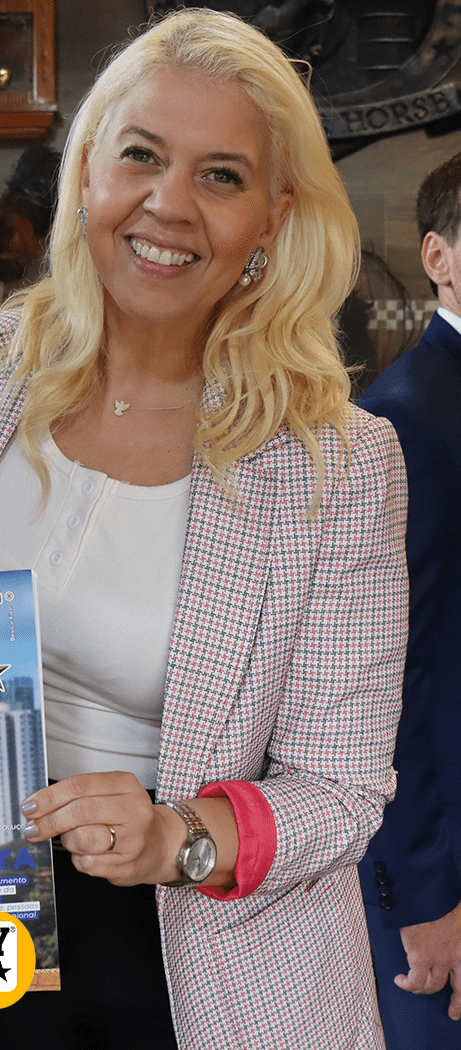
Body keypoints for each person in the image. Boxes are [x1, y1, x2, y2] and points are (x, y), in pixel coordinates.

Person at [0, 9, 407, 1049]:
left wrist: (173, 838)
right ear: (88, 170)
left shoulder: (338, 463)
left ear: (275, 217)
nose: (169, 204)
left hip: (189, 959)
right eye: (141, 155)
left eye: (221, 176)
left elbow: (342, 789)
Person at [357, 152, 461, 1048]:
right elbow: (391, 676)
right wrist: (425, 898)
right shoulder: (407, 419)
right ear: (438, 257)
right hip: (445, 882)